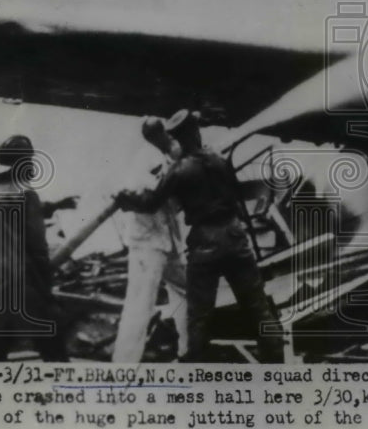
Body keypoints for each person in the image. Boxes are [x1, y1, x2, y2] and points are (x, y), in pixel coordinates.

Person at [117, 110, 283, 363]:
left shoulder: (178, 171)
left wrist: (126, 200)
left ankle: (195, 368)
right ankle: (277, 363)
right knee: (257, 306)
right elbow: (235, 192)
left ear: (175, 138)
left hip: (205, 241)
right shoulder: (219, 158)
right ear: (197, 131)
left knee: (199, 315)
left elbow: (152, 202)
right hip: (235, 234)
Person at [0, 135, 72, 362]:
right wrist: (47, 293)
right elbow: (38, 249)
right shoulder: (28, 196)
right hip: (21, 288)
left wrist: (52, 206)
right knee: (54, 347)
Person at [111, 117, 188, 362]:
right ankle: (122, 369)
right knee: (139, 307)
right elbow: (147, 199)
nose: (169, 137)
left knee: (188, 292)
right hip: (147, 245)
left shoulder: (166, 157)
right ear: (155, 136)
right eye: (164, 134)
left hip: (168, 243)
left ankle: (188, 353)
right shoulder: (147, 160)